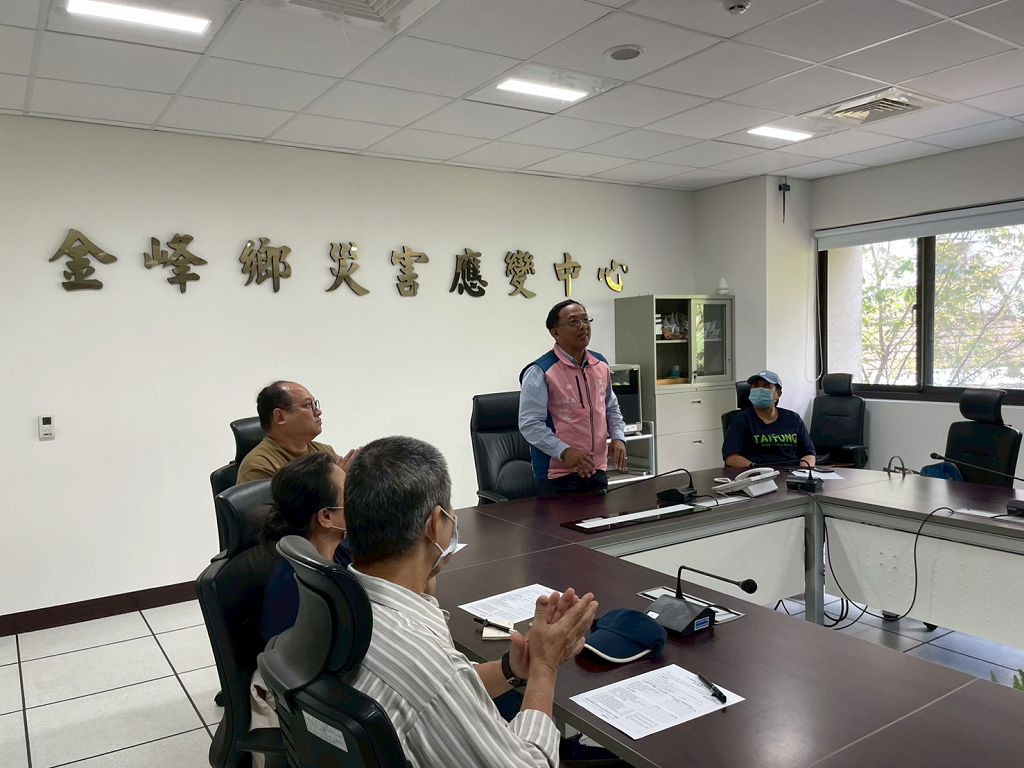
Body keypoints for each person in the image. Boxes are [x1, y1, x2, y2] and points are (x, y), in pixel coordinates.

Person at [343, 436, 598, 767]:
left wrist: (511, 670)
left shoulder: (345, 605)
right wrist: (544, 667)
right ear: (435, 524)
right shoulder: (427, 667)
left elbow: (443, 692)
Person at [519, 300, 627, 495]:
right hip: (558, 475)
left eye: (586, 320)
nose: (583, 326)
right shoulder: (541, 371)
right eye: (574, 322)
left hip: (596, 469)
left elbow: (610, 407)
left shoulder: (600, 364)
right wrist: (564, 451)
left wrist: (618, 437)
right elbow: (530, 424)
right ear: (555, 332)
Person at [258, 452, 350, 643]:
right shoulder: (299, 586)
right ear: (326, 517)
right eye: (349, 495)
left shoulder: (337, 551)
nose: (358, 501)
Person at [236, 380, 355, 484]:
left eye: (315, 404)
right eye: (307, 405)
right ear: (280, 417)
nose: (318, 412)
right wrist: (336, 481)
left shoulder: (324, 451)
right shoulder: (259, 467)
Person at [723, 370, 816, 468]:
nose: (760, 389)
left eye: (766, 386)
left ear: (778, 394)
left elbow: (809, 454)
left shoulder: (793, 419)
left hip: (791, 473)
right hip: (756, 473)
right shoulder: (741, 420)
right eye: (756, 385)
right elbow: (731, 457)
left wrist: (804, 472)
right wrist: (756, 469)